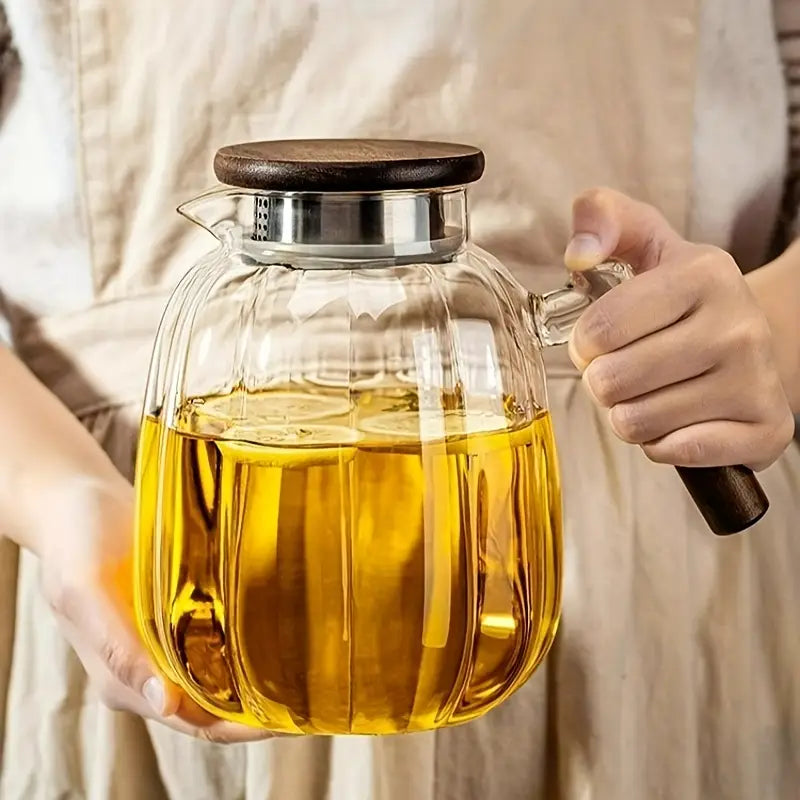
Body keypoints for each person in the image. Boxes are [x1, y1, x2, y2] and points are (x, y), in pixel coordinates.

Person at [0, 1, 798, 798]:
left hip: (644, 583)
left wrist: (762, 333)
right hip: (144, 547)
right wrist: (55, 496)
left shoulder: (486, 293)